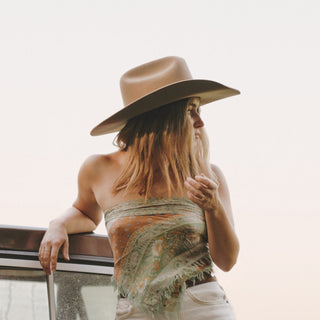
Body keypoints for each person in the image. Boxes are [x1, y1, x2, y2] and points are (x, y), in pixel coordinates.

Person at [39, 56, 240, 320]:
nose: (199, 122)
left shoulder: (208, 174)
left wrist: (213, 208)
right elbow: (86, 214)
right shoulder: (99, 168)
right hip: (135, 310)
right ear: (161, 118)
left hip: (200, 305)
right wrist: (58, 224)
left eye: (199, 110)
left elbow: (226, 260)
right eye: (190, 111)